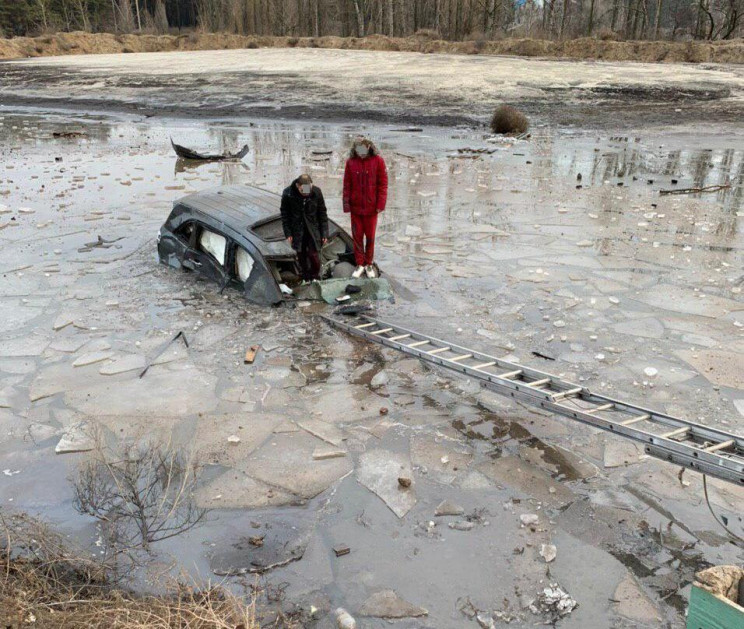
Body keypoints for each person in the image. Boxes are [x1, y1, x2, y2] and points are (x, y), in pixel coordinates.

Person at [343, 136, 388, 278]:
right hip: (356, 208)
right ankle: (360, 264)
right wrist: (346, 204)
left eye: (363, 149)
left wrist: (380, 204)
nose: (360, 153)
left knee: (370, 237)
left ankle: (369, 263)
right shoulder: (350, 163)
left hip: (371, 208)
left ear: (369, 147)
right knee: (357, 237)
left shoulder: (378, 161)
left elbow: (383, 184)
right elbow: (346, 185)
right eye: (358, 150)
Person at [280, 174, 328, 282]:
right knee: (301, 255)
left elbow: (322, 213)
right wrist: (288, 233)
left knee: (313, 254)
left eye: (308, 190)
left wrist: (324, 233)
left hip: (312, 228)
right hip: (297, 229)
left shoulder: (316, 192)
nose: (305, 194)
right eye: (303, 191)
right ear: (297, 186)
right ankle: (305, 277)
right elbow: (285, 215)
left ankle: (315, 276)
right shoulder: (288, 193)